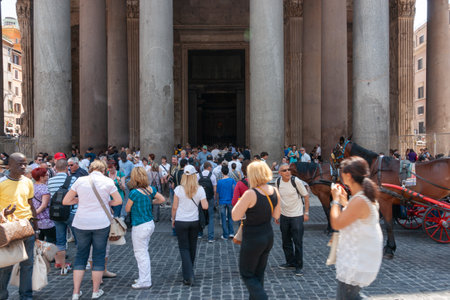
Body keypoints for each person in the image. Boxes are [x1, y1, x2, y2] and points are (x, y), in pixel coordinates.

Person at [63, 160, 122, 300]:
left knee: (81, 256)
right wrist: (108, 203)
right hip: (101, 222)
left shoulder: (80, 180)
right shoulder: (108, 181)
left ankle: (76, 293)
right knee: (99, 256)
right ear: (103, 170)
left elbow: (66, 201)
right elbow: (118, 201)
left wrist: (78, 200)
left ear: (90, 169)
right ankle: (95, 291)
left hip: (81, 222)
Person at [330, 156, 383, 300]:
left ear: (348, 175)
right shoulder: (363, 196)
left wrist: (335, 200)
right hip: (358, 257)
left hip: (355, 261)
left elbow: (337, 223)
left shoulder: (360, 199)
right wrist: (345, 202)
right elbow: (357, 217)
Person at [231, 160, 281, 300]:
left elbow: (235, 216)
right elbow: (276, 215)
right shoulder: (275, 191)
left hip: (253, 237)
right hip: (268, 235)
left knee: (247, 273)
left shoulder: (250, 193)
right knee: (258, 275)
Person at [0, 153, 37, 300]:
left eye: (25, 164)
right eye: (19, 164)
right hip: (8, 229)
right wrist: (4, 212)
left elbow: (31, 204)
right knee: (6, 265)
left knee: (27, 264)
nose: (23, 167)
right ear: (9, 165)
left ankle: (26, 295)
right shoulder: (1, 183)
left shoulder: (28, 182)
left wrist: (36, 226)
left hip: (27, 227)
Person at [125, 167, 165, 289]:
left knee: (141, 254)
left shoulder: (134, 193)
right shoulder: (150, 189)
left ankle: (145, 280)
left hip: (139, 225)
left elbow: (127, 209)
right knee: (144, 251)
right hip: (149, 223)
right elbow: (162, 199)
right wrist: (150, 202)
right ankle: (143, 277)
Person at [171, 165, 208, 286]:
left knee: (183, 248)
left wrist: (173, 219)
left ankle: (188, 274)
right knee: (192, 247)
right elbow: (205, 206)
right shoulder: (200, 189)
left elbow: (174, 207)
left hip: (181, 221)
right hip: (194, 221)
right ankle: (189, 271)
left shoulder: (178, 189)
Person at [276, 164, 309, 276]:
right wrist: (277, 214)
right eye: (284, 170)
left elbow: (306, 196)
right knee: (286, 241)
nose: (288, 172)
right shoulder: (278, 182)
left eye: (289, 169)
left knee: (297, 242)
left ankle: (299, 266)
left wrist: (306, 213)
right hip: (284, 216)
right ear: (280, 172)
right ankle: (290, 262)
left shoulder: (296, 181)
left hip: (297, 216)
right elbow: (278, 198)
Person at [47, 158, 78, 275]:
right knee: (79, 239)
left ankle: (63, 266)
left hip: (56, 213)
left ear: (55, 168)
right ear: (67, 168)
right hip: (71, 212)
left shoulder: (50, 181)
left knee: (60, 240)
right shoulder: (73, 179)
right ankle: (82, 263)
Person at [31, 167, 56, 243]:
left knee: (38, 242)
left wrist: (32, 215)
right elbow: (43, 206)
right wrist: (34, 214)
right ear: (41, 177)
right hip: (46, 220)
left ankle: (40, 255)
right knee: (51, 241)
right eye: (47, 175)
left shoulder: (32, 187)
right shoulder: (45, 189)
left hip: (35, 221)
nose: (48, 177)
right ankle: (51, 255)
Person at [197, 162, 217, 242]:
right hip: (209, 198)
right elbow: (214, 189)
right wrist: (214, 197)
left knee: (200, 215)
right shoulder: (212, 176)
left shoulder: (198, 175)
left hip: (201, 198)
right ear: (209, 167)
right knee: (211, 216)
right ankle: (210, 237)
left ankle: (199, 233)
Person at [217, 166, 236, 240]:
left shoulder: (219, 182)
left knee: (223, 218)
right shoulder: (232, 180)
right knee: (230, 217)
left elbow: (218, 193)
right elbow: (234, 190)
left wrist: (217, 201)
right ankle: (231, 232)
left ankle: (225, 234)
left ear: (222, 172)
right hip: (230, 200)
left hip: (222, 201)